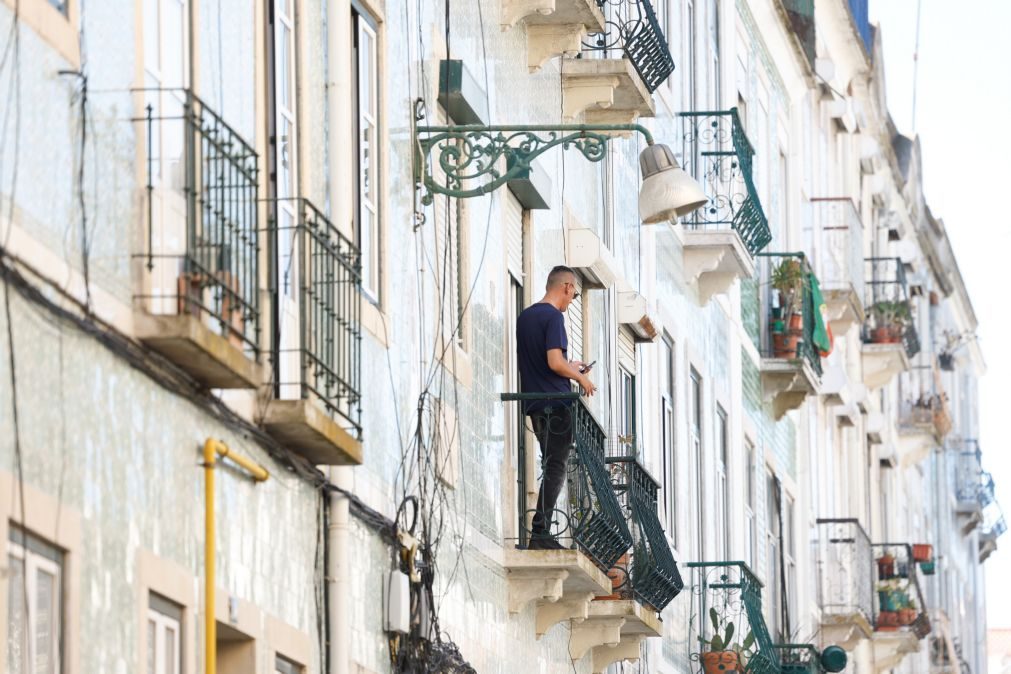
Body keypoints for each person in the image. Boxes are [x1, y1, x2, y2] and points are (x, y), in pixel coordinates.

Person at [516, 265, 596, 550]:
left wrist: (569, 366)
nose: (571, 300)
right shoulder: (553, 317)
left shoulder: (526, 317)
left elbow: (546, 364)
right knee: (557, 466)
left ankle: (541, 530)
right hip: (557, 405)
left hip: (536, 406)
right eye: (573, 293)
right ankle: (541, 532)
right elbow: (553, 362)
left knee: (551, 463)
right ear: (566, 286)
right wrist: (580, 377)